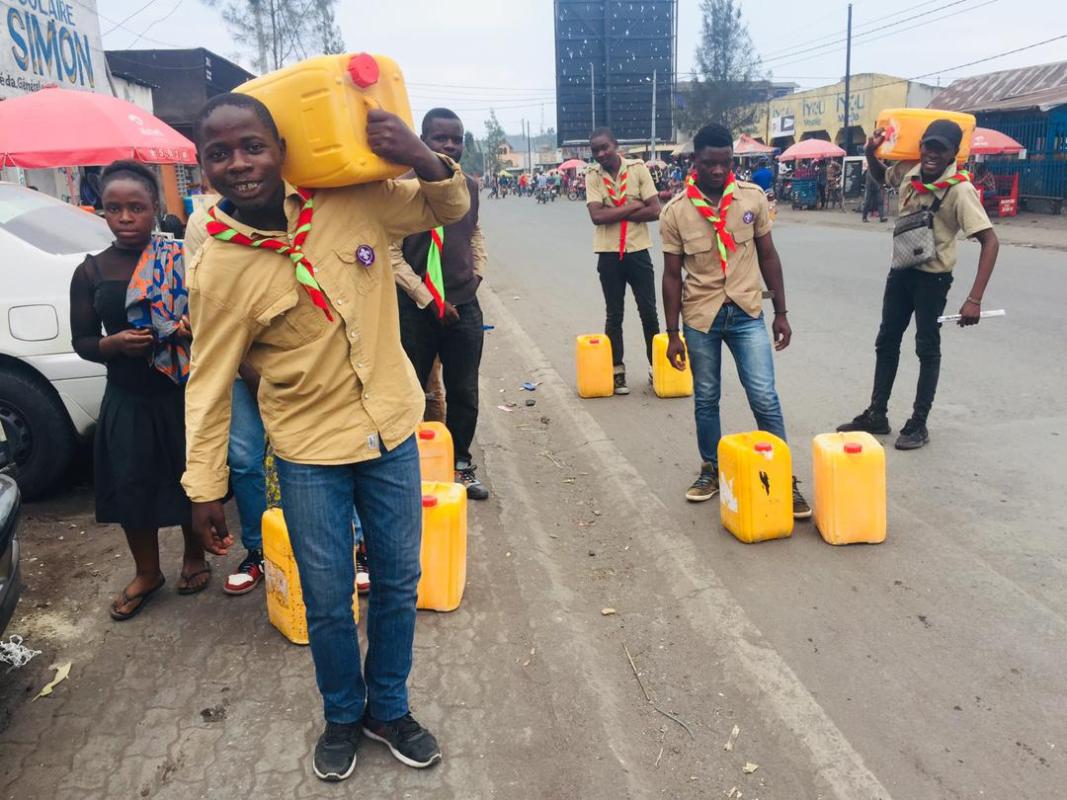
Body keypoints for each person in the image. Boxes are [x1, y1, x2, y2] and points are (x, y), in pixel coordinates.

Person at [184, 93, 469, 781]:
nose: (239, 163)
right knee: (328, 592)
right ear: (204, 167)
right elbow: (208, 378)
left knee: (399, 579)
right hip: (310, 448)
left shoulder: (346, 201)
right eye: (219, 153)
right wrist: (205, 485)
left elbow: (445, 208)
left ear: (280, 147)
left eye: (252, 145)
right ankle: (344, 713)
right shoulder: (219, 266)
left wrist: (419, 153)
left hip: (392, 427)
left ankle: (389, 707)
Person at [69, 160, 206, 620]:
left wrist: (188, 329)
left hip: (179, 390)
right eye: (114, 209)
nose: (125, 217)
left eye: (136, 208)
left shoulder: (180, 258)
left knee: (188, 477)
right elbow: (83, 342)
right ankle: (147, 571)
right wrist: (114, 343)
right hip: (127, 396)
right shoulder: (90, 271)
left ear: (155, 209)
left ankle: (194, 557)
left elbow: (212, 317)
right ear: (102, 212)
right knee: (131, 485)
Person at [659, 124, 811, 518]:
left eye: (725, 162)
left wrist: (781, 311)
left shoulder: (753, 199)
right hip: (700, 316)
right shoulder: (676, 212)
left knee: (764, 395)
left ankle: (782, 476)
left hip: (746, 312)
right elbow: (672, 275)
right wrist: (672, 334)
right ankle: (710, 468)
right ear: (695, 161)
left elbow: (769, 256)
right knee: (706, 398)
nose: (718, 170)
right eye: (710, 163)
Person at [837, 120, 999, 449]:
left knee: (926, 348)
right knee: (886, 341)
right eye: (929, 145)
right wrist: (870, 153)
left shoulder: (959, 190)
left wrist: (974, 299)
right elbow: (883, 177)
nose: (933, 154)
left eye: (942, 148)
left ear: (955, 152)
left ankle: (918, 423)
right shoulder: (909, 171)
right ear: (921, 145)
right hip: (901, 272)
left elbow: (990, 241)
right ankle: (877, 413)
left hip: (933, 279)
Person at [392, 108, 490, 500]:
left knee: (464, 391)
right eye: (440, 138)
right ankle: (410, 470)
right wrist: (427, 298)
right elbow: (390, 253)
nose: (450, 146)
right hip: (415, 310)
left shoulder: (469, 186)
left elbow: (475, 233)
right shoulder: (399, 188)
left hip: (464, 306)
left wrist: (477, 275)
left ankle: (461, 465)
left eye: (456, 138)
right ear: (422, 140)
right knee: (411, 392)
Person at [585, 127, 663, 394]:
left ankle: (658, 369)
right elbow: (597, 217)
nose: (601, 153)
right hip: (608, 254)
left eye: (605, 147)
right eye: (595, 150)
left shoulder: (638, 169)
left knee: (649, 313)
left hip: (638, 251)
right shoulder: (592, 176)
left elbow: (655, 210)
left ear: (616, 145)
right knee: (614, 314)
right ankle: (617, 372)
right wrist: (633, 206)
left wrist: (615, 211)